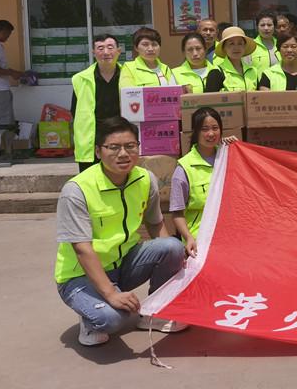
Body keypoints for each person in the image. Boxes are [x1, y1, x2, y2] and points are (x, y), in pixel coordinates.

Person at [55, 116, 187, 346]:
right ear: (98, 151)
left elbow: (155, 223)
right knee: (113, 320)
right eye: (114, 147)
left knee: (173, 246)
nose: (123, 154)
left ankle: (153, 312)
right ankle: (91, 318)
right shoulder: (77, 190)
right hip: (80, 275)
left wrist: (174, 263)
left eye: (130, 146)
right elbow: (82, 249)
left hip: (123, 265)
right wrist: (111, 293)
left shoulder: (145, 179)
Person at [170, 107, 239, 258]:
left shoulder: (228, 156)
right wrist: (188, 238)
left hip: (231, 234)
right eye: (205, 129)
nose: (211, 134)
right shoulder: (184, 169)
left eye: (215, 128)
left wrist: (237, 148)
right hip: (200, 239)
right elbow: (177, 213)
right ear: (195, 132)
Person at [71, 34, 122, 173]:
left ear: (118, 51)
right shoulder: (80, 79)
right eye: (100, 48)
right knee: (90, 181)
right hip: (92, 140)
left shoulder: (128, 76)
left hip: (121, 136)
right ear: (93, 52)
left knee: (121, 178)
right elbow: (74, 111)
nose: (106, 52)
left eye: (110, 47)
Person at [0, 20, 22, 145]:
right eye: (8, 34)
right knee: (3, 122)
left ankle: (2, 150)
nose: (8, 37)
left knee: (2, 122)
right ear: (3, 31)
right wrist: (11, 73)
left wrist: (13, 72)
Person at [207, 26, 258, 92]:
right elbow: (210, 97)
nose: (236, 47)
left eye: (240, 43)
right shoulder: (216, 72)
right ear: (224, 48)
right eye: (231, 44)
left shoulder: (253, 71)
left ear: (245, 47)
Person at [251, 11, 280, 76]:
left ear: (274, 27)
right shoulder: (251, 46)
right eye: (262, 25)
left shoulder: (280, 45)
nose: (266, 28)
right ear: (257, 27)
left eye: (269, 25)